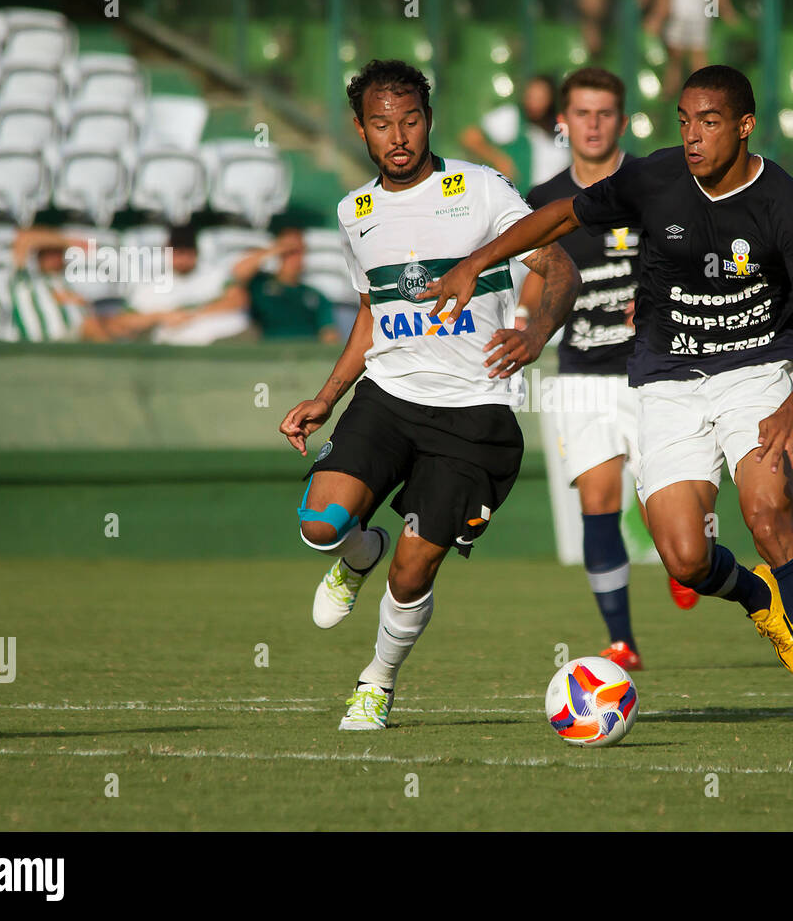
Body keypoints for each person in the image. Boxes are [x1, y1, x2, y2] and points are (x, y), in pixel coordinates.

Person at [426, 65, 793, 748]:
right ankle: (758, 598)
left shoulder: (781, 201)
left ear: (745, 126)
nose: (693, 137)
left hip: (757, 373)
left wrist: (791, 408)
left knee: (767, 514)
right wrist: (474, 262)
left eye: (711, 122)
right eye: (685, 121)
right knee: (686, 560)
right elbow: (562, 215)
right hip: (666, 381)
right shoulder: (656, 178)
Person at [278, 59, 581, 731]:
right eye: (382, 123)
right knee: (320, 525)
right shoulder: (354, 213)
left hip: (473, 413)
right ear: (360, 129)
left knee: (413, 575)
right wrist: (328, 395)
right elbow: (369, 315)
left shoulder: (479, 189)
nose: (399, 136)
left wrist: (535, 338)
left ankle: (376, 682)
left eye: (410, 119)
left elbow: (558, 264)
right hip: (387, 398)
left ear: (429, 118)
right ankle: (359, 552)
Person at [519, 66, 698, 672]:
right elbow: (533, 285)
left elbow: (689, 256)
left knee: (669, 505)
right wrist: (523, 333)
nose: (593, 125)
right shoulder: (543, 200)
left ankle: (688, 562)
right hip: (579, 375)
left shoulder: (653, 184)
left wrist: (654, 298)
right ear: (563, 123)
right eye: (582, 114)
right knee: (598, 499)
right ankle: (622, 640)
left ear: (622, 121)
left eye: (604, 114)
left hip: (653, 371)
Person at [8, 227, 171, 342]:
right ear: (38, 258)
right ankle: (117, 368)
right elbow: (24, 239)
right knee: (92, 326)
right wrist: (67, 241)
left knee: (125, 321)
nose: (54, 258)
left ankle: (167, 321)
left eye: (58, 253)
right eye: (48, 254)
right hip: (48, 341)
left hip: (77, 338)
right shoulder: (25, 282)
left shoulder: (65, 285)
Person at [179, 228, 342, 343]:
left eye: (299, 252)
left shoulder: (315, 295)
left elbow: (328, 333)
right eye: (289, 253)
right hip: (267, 352)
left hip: (306, 353)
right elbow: (237, 272)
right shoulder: (260, 285)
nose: (294, 258)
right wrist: (277, 248)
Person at [126, 225, 253, 345]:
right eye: (177, 251)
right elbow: (126, 321)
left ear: (196, 252)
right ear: (166, 251)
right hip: (173, 346)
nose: (183, 257)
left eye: (187, 251)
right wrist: (161, 316)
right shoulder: (151, 284)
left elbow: (238, 299)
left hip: (223, 339)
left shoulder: (215, 275)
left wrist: (192, 314)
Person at [459, 74, 571, 190]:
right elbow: (470, 137)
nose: (533, 102)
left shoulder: (562, 133)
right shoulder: (512, 116)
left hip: (546, 201)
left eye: (540, 97)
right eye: (530, 96)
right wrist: (498, 159)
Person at [645, 0, 739, 100]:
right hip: (678, 15)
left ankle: (703, 97)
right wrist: (659, 15)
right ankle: (667, 100)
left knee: (698, 55)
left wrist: (727, 11)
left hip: (700, 16)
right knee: (675, 57)